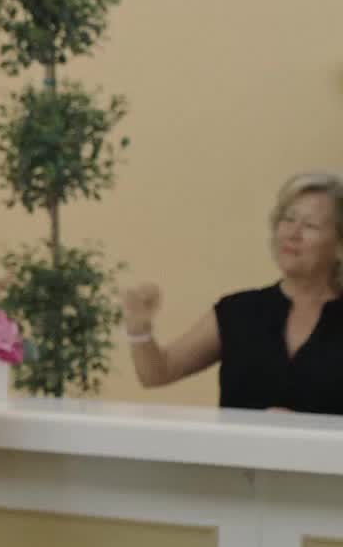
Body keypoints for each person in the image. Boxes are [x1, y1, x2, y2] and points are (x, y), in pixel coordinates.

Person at [123, 170, 343, 414]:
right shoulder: (239, 311)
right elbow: (158, 373)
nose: (292, 234)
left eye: (310, 225)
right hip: (235, 453)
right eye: (288, 219)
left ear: (339, 245)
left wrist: (304, 430)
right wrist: (139, 331)